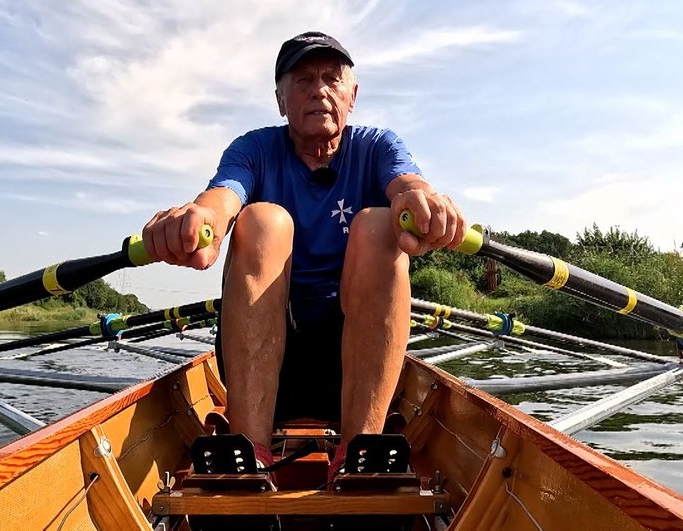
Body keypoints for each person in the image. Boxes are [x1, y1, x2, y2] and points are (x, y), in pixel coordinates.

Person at [140, 31, 467, 480]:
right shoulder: (253, 149)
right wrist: (200, 223)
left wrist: (423, 202)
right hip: (264, 366)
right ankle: (249, 453)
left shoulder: (378, 146)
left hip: (358, 366)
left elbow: (408, 187)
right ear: (280, 99)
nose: (319, 90)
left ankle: (361, 452)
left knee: (378, 225)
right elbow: (220, 200)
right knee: (262, 220)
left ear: (352, 95)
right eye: (303, 80)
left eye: (332, 79)